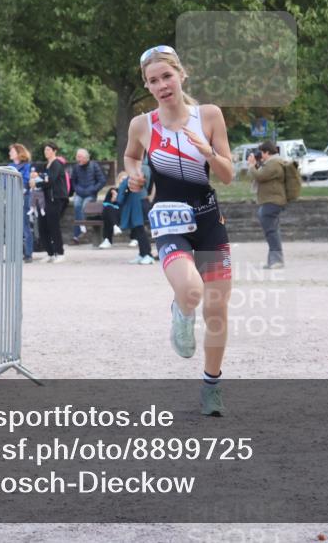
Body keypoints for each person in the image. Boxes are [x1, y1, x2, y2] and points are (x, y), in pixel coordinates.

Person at [123, 45, 233, 417]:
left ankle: (211, 387)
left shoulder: (210, 116)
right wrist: (134, 175)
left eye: (166, 76)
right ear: (148, 86)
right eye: (153, 81)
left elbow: (228, 175)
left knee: (216, 310)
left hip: (209, 222)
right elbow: (130, 156)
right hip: (170, 222)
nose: (161, 85)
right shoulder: (142, 125)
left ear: (181, 75)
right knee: (191, 290)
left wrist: (207, 151)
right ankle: (181, 309)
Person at [246, 141, 288, 269]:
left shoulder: (274, 163)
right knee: (272, 230)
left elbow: (260, 176)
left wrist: (252, 165)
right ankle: (274, 260)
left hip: (273, 201)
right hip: (271, 200)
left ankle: (277, 260)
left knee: (271, 231)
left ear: (267, 152)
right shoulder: (271, 163)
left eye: (262, 153)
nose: (261, 155)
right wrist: (255, 165)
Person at [35, 141, 68, 263]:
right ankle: (50, 253)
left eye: (49, 150)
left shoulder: (57, 164)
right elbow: (43, 178)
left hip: (57, 199)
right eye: (45, 150)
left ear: (54, 151)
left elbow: (51, 181)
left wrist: (37, 183)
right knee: (43, 226)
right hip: (46, 200)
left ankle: (60, 252)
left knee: (54, 226)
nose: (46, 152)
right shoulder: (46, 165)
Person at [116, 167, 154, 265]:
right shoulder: (141, 174)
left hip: (137, 204)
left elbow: (120, 198)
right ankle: (142, 254)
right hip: (140, 203)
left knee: (140, 231)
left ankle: (148, 255)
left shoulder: (131, 178)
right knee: (138, 230)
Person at [71, 148, 106, 245]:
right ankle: (82, 230)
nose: (78, 159)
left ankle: (79, 233)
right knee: (77, 205)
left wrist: (93, 189)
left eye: (80, 157)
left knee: (84, 207)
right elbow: (73, 181)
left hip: (90, 194)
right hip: (80, 193)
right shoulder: (76, 167)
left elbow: (102, 181)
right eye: (77, 157)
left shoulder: (94, 166)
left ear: (86, 158)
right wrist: (77, 189)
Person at [8, 144, 34, 262]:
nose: (10, 153)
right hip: (12, 196)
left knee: (25, 225)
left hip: (23, 198)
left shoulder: (27, 166)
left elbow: (26, 180)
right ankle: (14, 254)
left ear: (18, 152)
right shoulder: (9, 166)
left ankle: (28, 253)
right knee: (13, 226)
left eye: (12, 151)